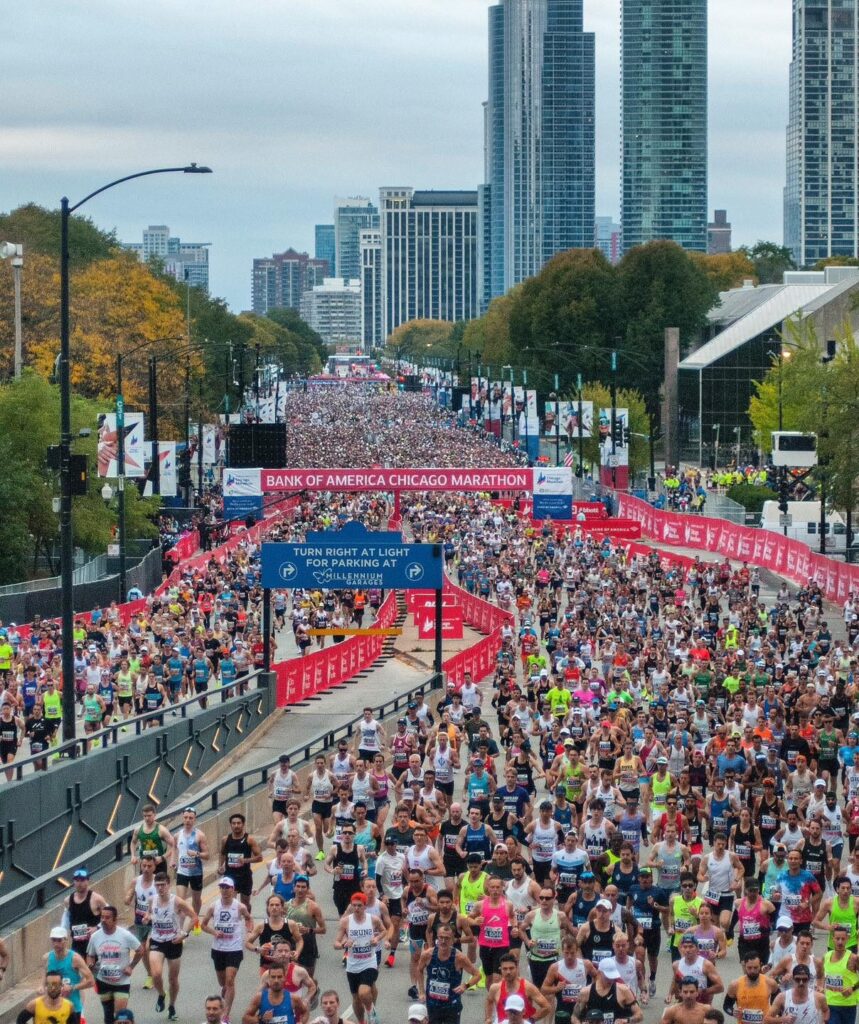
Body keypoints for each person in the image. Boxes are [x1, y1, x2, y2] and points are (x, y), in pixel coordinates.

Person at [201, 876, 254, 1024]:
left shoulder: (239, 906)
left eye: (227, 888)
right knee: (223, 982)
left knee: (230, 980)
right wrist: (214, 932)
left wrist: (249, 932)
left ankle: (225, 1015)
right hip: (218, 948)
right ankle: (225, 988)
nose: (224, 890)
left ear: (233, 889)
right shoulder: (214, 906)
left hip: (234, 948)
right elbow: (203, 925)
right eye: (222, 887)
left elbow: (249, 918)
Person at [145, 872, 194, 1021]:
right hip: (157, 941)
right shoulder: (151, 900)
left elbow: (194, 917)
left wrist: (184, 934)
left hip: (174, 942)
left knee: (173, 979)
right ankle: (161, 994)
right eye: (157, 885)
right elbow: (149, 914)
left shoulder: (178, 902)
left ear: (169, 885)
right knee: (156, 974)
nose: (160, 888)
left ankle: (172, 1006)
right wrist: (147, 917)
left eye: (163, 885)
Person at [333, 890, 388, 1024]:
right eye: (354, 905)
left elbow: (384, 930)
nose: (356, 908)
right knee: (356, 998)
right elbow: (335, 943)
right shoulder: (346, 922)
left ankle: (370, 1012)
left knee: (363, 992)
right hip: (352, 965)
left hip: (369, 961)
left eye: (359, 905)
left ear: (365, 906)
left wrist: (377, 938)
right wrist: (344, 945)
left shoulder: (373, 919)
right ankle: (361, 1021)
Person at [86, 904, 143, 1024]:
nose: (103, 920)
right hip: (103, 980)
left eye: (107, 918)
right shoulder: (95, 937)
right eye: (102, 917)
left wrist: (131, 966)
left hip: (121, 981)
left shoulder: (125, 935)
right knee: (108, 1015)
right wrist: (90, 964)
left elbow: (140, 950)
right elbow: (90, 955)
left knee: (120, 1015)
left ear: (115, 920)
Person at [416, 922, 481, 1023]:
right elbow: (419, 970)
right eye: (440, 937)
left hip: (452, 1005)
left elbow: (477, 975)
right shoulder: (428, 954)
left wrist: (465, 985)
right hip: (433, 1003)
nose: (443, 941)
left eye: (447, 938)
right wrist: (421, 991)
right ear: (436, 937)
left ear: (452, 939)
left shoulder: (459, 958)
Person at [43, 926, 94, 1023]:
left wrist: (72, 987)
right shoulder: (47, 958)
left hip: (72, 1007)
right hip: (53, 1007)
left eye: (59, 940)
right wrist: (42, 987)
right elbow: (44, 980)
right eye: (54, 940)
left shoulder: (75, 958)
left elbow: (91, 981)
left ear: (66, 940)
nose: (56, 943)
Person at [486, 953, 551, 1023]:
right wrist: (488, 1018)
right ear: (500, 969)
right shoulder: (495, 988)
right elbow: (489, 1001)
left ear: (517, 968)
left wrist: (531, 1020)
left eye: (511, 968)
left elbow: (546, 1007)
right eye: (505, 969)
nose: (508, 972)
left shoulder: (527, 987)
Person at [572, 962, 642, 1024]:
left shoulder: (623, 990)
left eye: (612, 976)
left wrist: (627, 1020)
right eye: (608, 977)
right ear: (599, 973)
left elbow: (639, 1014)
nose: (611, 980)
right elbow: (574, 1017)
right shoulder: (585, 992)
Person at [219, 813, 262, 911]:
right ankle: (233, 924)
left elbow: (260, 857)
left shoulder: (249, 840)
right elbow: (222, 853)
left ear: (243, 824)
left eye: (238, 823)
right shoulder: (225, 839)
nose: (236, 826)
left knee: (245, 904)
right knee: (230, 902)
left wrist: (246, 860)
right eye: (233, 823)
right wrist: (221, 866)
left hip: (244, 876)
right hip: (230, 875)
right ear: (230, 825)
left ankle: (248, 921)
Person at [63, 867, 107, 963]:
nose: (79, 883)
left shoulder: (97, 899)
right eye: (77, 880)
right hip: (76, 942)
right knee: (75, 969)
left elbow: (110, 915)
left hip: (93, 942)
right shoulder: (68, 900)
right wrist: (63, 933)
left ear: (88, 881)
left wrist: (97, 927)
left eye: (82, 880)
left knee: (91, 970)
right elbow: (66, 919)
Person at [174, 805, 209, 922]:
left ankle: (195, 920)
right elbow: (173, 848)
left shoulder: (200, 835)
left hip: (196, 872)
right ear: (182, 819)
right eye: (186, 817)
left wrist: (196, 854)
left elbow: (207, 855)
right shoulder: (177, 835)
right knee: (180, 901)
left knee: (196, 900)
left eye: (190, 818)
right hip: (182, 872)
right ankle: (180, 929)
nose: (188, 820)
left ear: (194, 819)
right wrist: (173, 861)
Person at [240, 962, 305, 1024]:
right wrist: (260, 1019)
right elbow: (245, 1019)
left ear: (284, 978)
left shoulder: (293, 998)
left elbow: (305, 1012)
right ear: (268, 978)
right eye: (273, 977)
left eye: (279, 977)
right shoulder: (260, 998)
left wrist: (302, 1022)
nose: (276, 980)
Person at [723, 954, 779, 1024]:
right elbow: (726, 1006)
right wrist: (733, 1012)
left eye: (755, 967)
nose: (752, 971)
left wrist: (775, 1016)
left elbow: (778, 1005)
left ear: (760, 965)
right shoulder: (735, 985)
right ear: (744, 966)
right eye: (749, 968)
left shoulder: (770, 983)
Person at [822, 925, 859, 1024]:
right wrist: (820, 988)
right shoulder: (826, 956)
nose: (840, 942)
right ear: (832, 939)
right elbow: (821, 976)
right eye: (837, 938)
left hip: (848, 1004)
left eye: (843, 939)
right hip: (830, 1004)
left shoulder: (853, 958)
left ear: (847, 939)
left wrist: (853, 988)